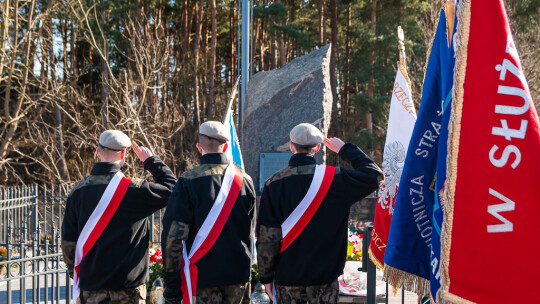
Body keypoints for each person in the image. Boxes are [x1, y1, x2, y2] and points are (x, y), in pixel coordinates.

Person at [257, 123, 384, 304]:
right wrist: (345, 149)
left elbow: (267, 236)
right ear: (317, 148)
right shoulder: (337, 178)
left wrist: (266, 277)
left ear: (292, 147)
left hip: (288, 277)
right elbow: (374, 176)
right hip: (325, 278)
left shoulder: (274, 184)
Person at [61, 130, 176, 304]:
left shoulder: (78, 191)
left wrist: (75, 271)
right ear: (123, 154)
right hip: (129, 288)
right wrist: (151, 161)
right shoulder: (136, 189)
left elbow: (68, 240)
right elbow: (172, 189)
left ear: (98, 151)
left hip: (91, 286)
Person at [161, 121, 256, 304]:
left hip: (201, 278)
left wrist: (172, 285)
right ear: (226, 146)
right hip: (238, 276)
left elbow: (173, 237)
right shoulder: (245, 180)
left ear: (199, 147)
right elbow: (250, 231)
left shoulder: (187, 181)